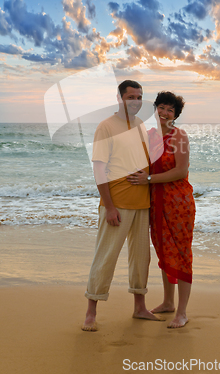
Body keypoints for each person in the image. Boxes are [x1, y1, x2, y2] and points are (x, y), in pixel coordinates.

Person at [82, 80, 158, 331]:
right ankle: (91, 312)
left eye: (139, 97)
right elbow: (99, 167)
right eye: (131, 97)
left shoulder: (139, 126)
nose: (136, 101)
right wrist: (109, 206)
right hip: (117, 204)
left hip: (141, 204)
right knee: (105, 258)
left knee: (140, 259)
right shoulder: (106, 126)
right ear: (119, 98)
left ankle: (139, 307)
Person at [127, 91, 195, 328]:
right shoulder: (149, 135)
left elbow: (180, 171)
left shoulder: (179, 136)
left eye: (171, 110)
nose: (165, 113)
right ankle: (168, 302)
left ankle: (182, 312)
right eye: (162, 108)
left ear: (175, 115)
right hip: (156, 202)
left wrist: (147, 180)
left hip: (178, 203)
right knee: (164, 252)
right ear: (155, 109)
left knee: (181, 254)